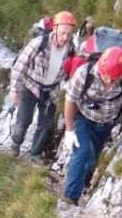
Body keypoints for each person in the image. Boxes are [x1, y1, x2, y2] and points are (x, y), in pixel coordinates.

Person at [62, 46, 122, 205]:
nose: (108, 80)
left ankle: (81, 180)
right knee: (81, 151)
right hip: (82, 117)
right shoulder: (84, 74)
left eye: (113, 78)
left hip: (105, 124)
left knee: (92, 159)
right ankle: (71, 197)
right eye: (105, 76)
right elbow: (70, 101)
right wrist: (69, 131)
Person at [9, 11, 76, 161]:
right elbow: (21, 65)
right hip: (30, 86)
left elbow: (72, 68)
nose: (65, 37)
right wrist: (14, 89)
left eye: (69, 34)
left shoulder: (71, 48)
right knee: (24, 120)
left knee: (45, 123)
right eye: (63, 33)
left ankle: (35, 154)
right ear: (55, 29)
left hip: (51, 91)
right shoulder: (39, 43)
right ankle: (15, 144)